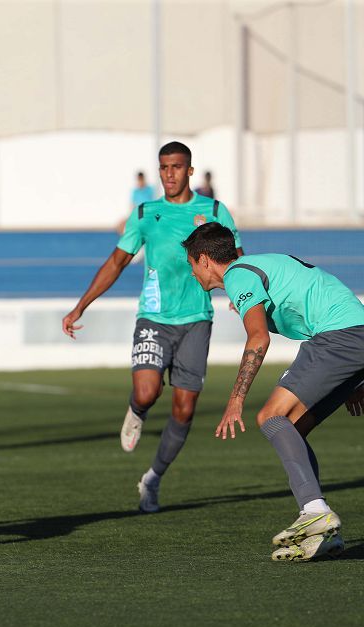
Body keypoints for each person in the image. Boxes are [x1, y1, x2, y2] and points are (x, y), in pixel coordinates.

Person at [62, 141, 242, 513]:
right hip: (154, 317)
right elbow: (117, 261)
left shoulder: (213, 210)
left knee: (184, 410)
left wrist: (245, 301)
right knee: (146, 392)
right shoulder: (145, 212)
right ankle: (137, 411)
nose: (169, 174)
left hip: (196, 320)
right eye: (163, 167)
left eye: (176, 167)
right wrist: (82, 305)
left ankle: (153, 478)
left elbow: (236, 261)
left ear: (190, 170)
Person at [183, 222, 364, 561]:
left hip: (338, 336)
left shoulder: (239, 274)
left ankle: (315, 511)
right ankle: (322, 531)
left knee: (271, 416)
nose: (193, 274)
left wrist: (235, 400)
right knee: (291, 428)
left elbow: (258, 338)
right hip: (353, 336)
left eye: (191, 265)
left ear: (204, 259)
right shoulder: (251, 269)